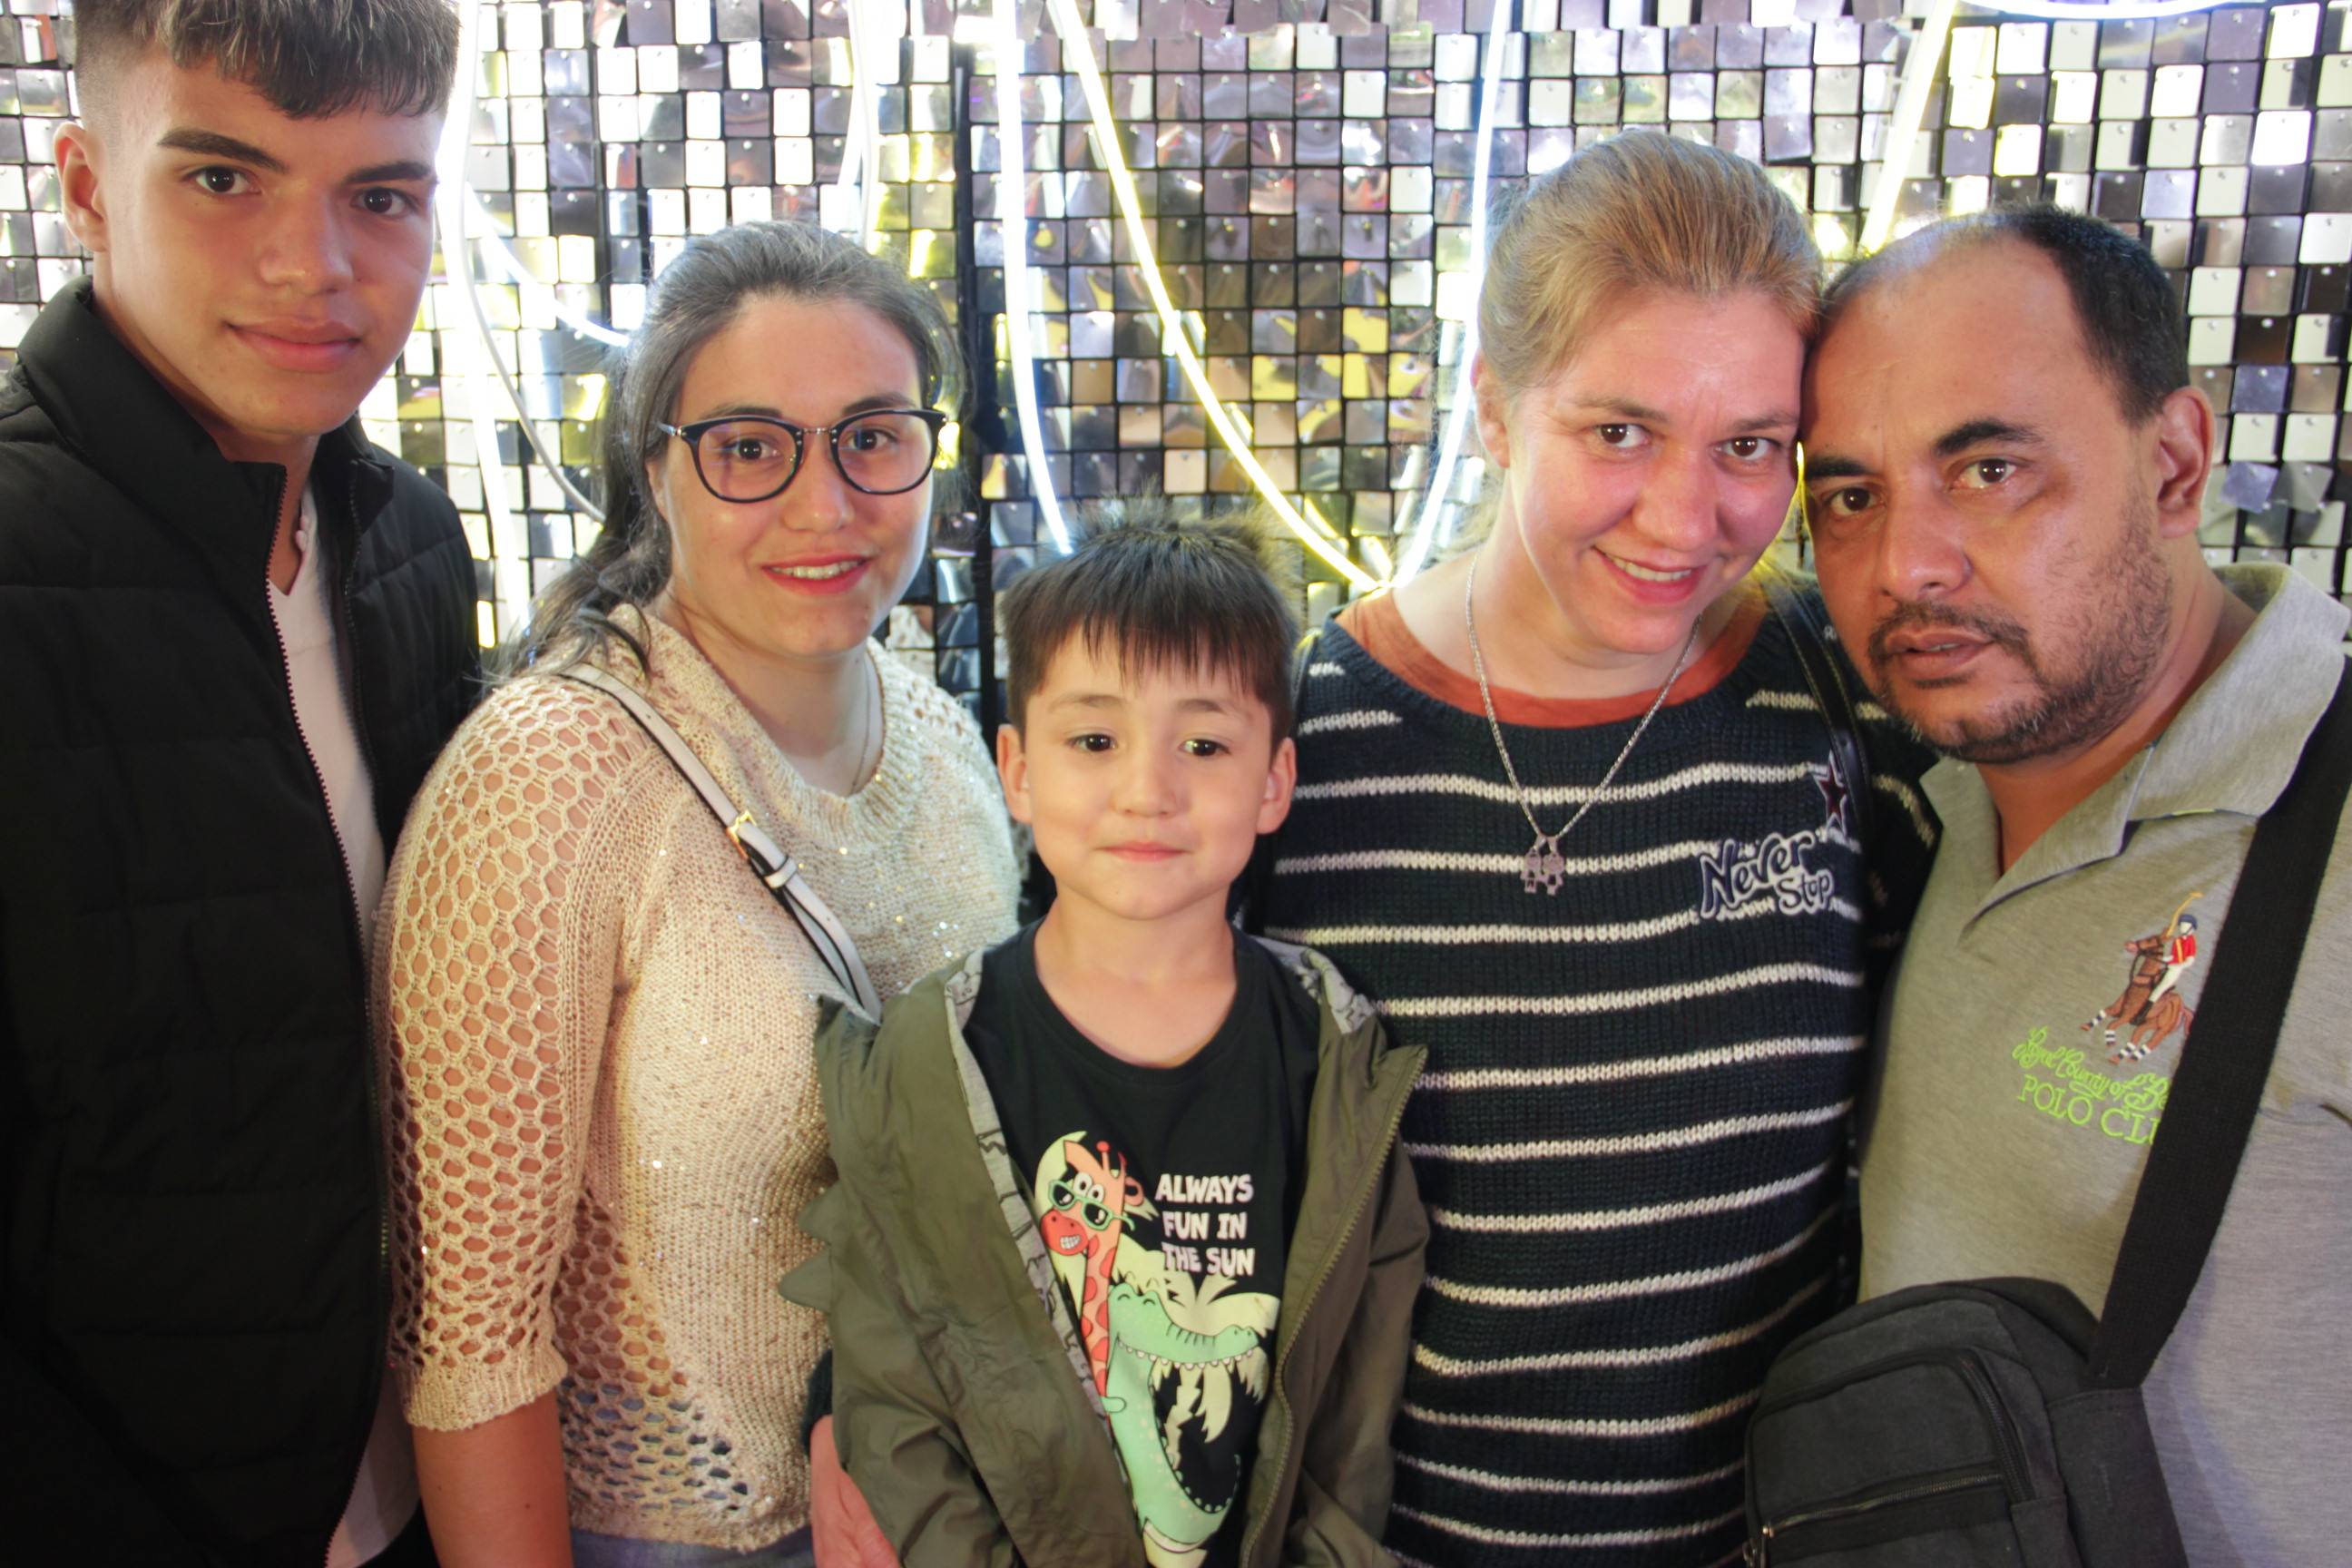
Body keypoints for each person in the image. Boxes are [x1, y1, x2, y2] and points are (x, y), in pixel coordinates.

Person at [1252, 132, 1938, 1567]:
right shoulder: (1294, 743)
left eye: (1748, 446)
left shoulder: (1844, 703)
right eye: (1620, 432)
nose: (1687, 520)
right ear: (1496, 409)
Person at [374, 220, 1021, 1567]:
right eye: (748, 447)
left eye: (873, 436)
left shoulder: (944, 735)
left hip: (946, 1499)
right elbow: (471, 1343)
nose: (825, 505)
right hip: (665, 1535)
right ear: (656, 468)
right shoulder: (552, 778)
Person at [1802, 204, 2352, 1565]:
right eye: (1852, 497)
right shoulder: (1912, 801)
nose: (1906, 565)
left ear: (2174, 466)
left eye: (1990, 469)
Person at [0, 3, 472, 1563]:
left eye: (380, 195)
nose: (313, 266)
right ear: (84, 184)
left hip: (426, 1483)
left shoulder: (407, 543)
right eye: (223, 179)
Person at [781, 513, 1426, 1567]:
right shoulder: (930, 1059)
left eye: (1204, 745)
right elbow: (895, 1385)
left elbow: (1354, 1412)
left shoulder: (1335, 1058)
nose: (1147, 791)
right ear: (1018, 769)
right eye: (1094, 741)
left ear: (1275, 780)